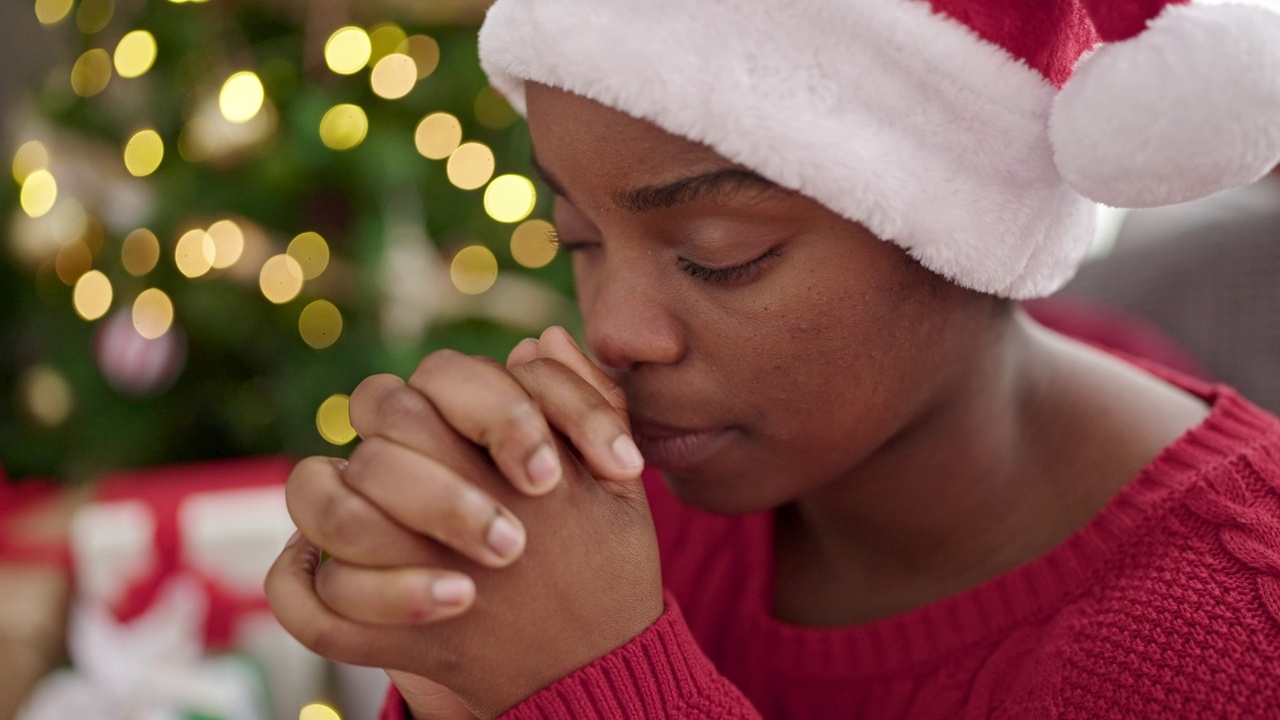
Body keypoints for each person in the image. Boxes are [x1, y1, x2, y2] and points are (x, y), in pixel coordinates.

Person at [266, 1, 1280, 718]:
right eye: (574, 238)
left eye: (722, 256)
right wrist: (466, 679)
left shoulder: (1232, 629)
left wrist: (590, 683)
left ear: (954, 225)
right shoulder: (622, 516)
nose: (612, 331)